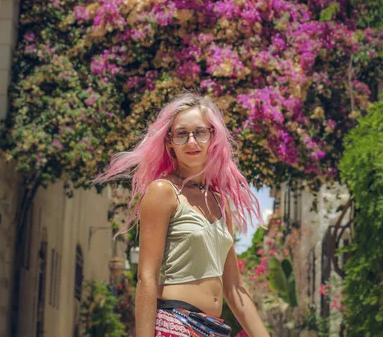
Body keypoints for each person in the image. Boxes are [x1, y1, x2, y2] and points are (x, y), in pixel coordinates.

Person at [96, 93, 271, 337]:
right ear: (169, 143)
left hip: (213, 329)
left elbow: (234, 288)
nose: (191, 142)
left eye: (200, 132)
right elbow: (146, 277)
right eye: (181, 134)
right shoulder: (163, 192)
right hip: (175, 325)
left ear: (212, 138)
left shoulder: (220, 203)